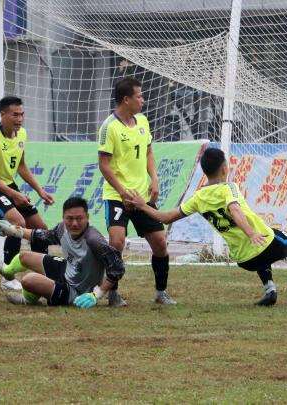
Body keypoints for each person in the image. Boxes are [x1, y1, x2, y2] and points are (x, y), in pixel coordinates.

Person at [125, 147, 287, 306]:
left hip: (243, 259)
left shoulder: (198, 198)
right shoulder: (228, 188)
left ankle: (270, 290)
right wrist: (251, 233)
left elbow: (166, 218)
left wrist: (143, 206)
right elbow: (235, 210)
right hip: (264, 244)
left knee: (261, 248)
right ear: (225, 168)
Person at [98, 77, 175, 306]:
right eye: (139, 96)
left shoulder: (142, 121)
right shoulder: (109, 127)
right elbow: (104, 165)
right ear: (126, 99)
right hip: (117, 196)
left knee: (160, 243)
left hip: (141, 197)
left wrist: (155, 180)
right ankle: (113, 294)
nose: (143, 100)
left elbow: (149, 152)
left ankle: (161, 293)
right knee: (117, 241)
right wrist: (122, 192)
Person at [0, 197, 125, 309]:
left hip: (76, 291)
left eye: (79, 218)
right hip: (67, 270)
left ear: (87, 217)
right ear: (63, 217)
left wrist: (97, 294)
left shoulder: (94, 240)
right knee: (24, 256)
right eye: (70, 218)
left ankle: (27, 300)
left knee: (28, 280)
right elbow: (43, 236)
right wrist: (13, 231)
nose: (74, 223)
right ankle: (7, 272)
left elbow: (117, 268)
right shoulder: (62, 229)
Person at [0, 96, 54, 291]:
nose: (20, 119)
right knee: (17, 223)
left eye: (22, 114)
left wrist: (40, 190)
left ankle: (42, 276)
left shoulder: (22, 134)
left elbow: (21, 166)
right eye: (15, 115)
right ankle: (7, 277)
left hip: (9, 186)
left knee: (41, 229)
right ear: (3, 114)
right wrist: (14, 194)